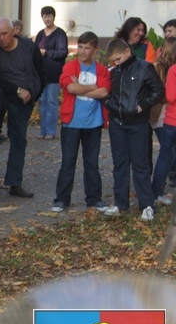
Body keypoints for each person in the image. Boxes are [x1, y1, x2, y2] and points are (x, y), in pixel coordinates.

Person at [0, 17, 45, 198]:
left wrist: (33, 96)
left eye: (4, 34)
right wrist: (16, 90)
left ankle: (14, 183)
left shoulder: (29, 47)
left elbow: (41, 73)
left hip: (23, 99)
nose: (1, 38)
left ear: (14, 32)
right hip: (3, 92)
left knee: (18, 139)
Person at [103, 39, 165, 221]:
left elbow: (159, 91)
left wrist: (142, 106)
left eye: (118, 58)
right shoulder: (114, 71)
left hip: (138, 123)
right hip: (117, 122)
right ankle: (120, 203)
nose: (116, 63)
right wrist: (108, 103)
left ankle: (147, 205)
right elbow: (106, 91)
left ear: (127, 51)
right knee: (119, 164)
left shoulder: (144, 68)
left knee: (141, 165)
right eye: (113, 60)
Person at [50, 32, 111, 214]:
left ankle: (94, 199)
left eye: (87, 48)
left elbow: (104, 92)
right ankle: (62, 199)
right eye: (80, 47)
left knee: (91, 163)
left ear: (95, 49)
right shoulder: (70, 67)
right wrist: (93, 86)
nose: (83, 51)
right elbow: (70, 87)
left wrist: (82, 88)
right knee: (68, 162)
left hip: (94, 123)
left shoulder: (101, 70)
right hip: (72, 123)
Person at [34, 6, 69, 140]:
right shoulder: (40, 34)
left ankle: (50, 131)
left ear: (54, 17)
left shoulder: (60, 34)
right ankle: (42, 131)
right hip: (41, 73)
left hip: (54, 72)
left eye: (49, 16)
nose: (47, 19)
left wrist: (46, 52)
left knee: (51, 101)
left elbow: (63, 52)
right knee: (42, 101)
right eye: (45, 16)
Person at [151, 38, 176, 206]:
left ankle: (156, 192)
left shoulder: (173, 69)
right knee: (169, 155)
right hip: (164, 117)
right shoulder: (161, 68)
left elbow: (171, 97)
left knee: (166, 155)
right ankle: (156, 191)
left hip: (171, 119)